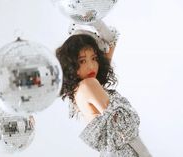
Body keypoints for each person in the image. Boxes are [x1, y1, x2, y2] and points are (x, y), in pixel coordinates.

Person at [56, 20, 152, 157]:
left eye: (94, 58)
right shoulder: (89, 84)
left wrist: (92, 21)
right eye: (82, 61)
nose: (91, 66)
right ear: (71, 64)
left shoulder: (78, 89)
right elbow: (123, 127)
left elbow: (112, 41)